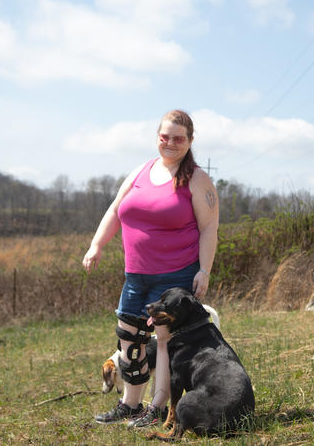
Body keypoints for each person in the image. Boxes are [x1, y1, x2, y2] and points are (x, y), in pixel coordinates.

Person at [82, 109, 219, 428]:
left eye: (178, 138)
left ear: (190, 141)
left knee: (163, 342)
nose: (170, 143)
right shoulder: (141, 171)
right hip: (136, 277)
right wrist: (96, 245)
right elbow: (115, 210)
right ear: (158, 137)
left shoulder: (196, 179)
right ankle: (130, 403)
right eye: (165, 137)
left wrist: (205, 270)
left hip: (175, 277)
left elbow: (210, 227)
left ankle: (158, 407)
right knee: (128, 338)